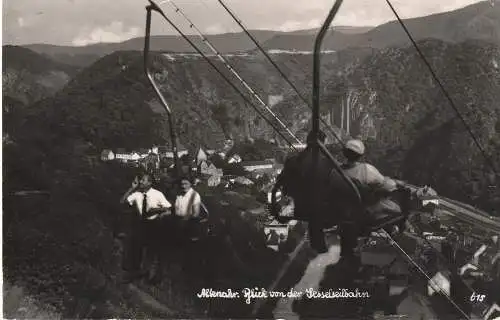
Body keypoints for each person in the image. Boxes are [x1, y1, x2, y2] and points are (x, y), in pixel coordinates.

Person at [339, 139, 404, 257]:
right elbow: (387, 185)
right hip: (365, 212)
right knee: (398, 210)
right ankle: (391, 240)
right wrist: (395, 183)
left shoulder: (336, 171)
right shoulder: (366, 170)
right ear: (361, 155)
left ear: (344, 152)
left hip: (343, 213)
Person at [120, 172, 172, 283]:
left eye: (143, 180)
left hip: (154, 225)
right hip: (141, 224)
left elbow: (169, 209)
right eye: (141, 180)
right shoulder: (137, 194)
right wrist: (131, 188)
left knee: (151, 251)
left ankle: (149, 276)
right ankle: (134, 273)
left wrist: (161, 215)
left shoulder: (157, 194)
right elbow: (123, 202)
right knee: (136, 248)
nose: (141, 182)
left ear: (150, 182)